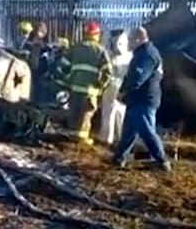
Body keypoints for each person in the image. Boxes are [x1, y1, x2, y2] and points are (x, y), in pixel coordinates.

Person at [112, 27, 171, 171]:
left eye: (130, 40)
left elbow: (137, 78)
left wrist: (123, 91)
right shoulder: (143, 53)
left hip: (143, 99)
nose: (128, 44)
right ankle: (119, 157)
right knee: (129, 130)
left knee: (146, 131)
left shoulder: (146, 55)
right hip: (138, 99)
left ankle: (161, 160)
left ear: (138, 39)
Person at [65, 21, 113, 151]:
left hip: (74, 88)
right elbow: (108, 72)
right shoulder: (100, 50)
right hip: (90, 90)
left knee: (74, 113)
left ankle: (72, 137)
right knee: (86, 114)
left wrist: (67, 82)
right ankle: (82, 140)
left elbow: (63, 66)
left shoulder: (75, 48)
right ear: (96, 35)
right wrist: (101, 86)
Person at [99, 31, 133, 145]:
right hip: (124, 85)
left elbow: (105, 70)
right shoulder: (129, 54)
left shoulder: (110, 53)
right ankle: (121, 138)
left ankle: (106, 139)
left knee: (109, 113)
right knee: (121, 113)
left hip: (112, 85)